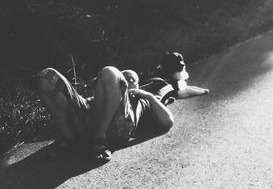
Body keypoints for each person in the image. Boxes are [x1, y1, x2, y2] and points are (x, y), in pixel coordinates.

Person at [36, 66, 176, 163]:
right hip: (90, 121)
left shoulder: (141, 100)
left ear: (138, 85)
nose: (127, 80)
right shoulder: (104, 93)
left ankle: (100, 138)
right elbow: (84, 106)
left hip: (118, 127)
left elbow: (168, 121)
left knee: (109, 70)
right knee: (47, 76)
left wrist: (149, 96)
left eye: (132, 80)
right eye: (124, 78)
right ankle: (69, 139)